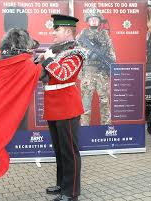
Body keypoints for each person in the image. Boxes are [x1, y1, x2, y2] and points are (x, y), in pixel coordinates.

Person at [39, 14, 87, 201]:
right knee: (59, 150)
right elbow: (45, 74)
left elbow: (63, 74)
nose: (53, 33)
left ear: (68, 31)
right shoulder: (56, 51)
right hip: (53, 106)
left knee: (70, 152)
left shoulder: (76, 52)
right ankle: (62, 185)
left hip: (67, 107)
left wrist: (48, 60)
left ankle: (72, 192)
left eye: (56, 30)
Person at [77, 10, 116, 125]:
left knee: (105, 102)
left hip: (101, 74)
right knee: (85, 104)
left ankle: (106, 128)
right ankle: (84, 129)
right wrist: (88, 53)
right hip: (88, 73)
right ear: (88, 20)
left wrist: (109, 66)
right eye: (91, 18)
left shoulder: (105, 36)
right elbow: (76, 51)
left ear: (99, 20)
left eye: (96, 18)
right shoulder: (82, 35)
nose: (94, 20)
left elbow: (111, 54)